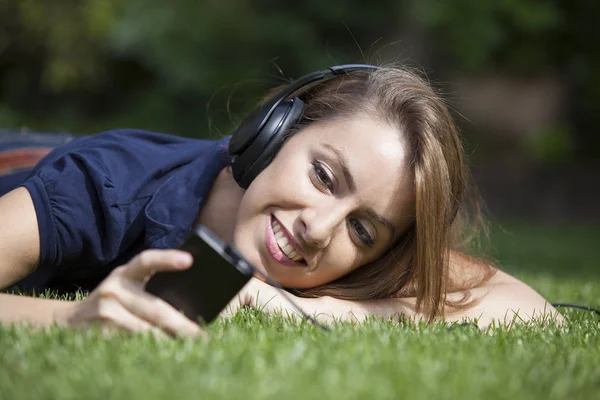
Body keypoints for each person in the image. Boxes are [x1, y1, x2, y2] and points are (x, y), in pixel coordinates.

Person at [0, 65, 562, 337]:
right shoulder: (104, 185)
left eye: (364, 230)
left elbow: (541, 317)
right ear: (273, 131)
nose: (320, 229)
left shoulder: (356, 257)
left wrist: (316, 311)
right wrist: (70, 317)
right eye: (323, 175)